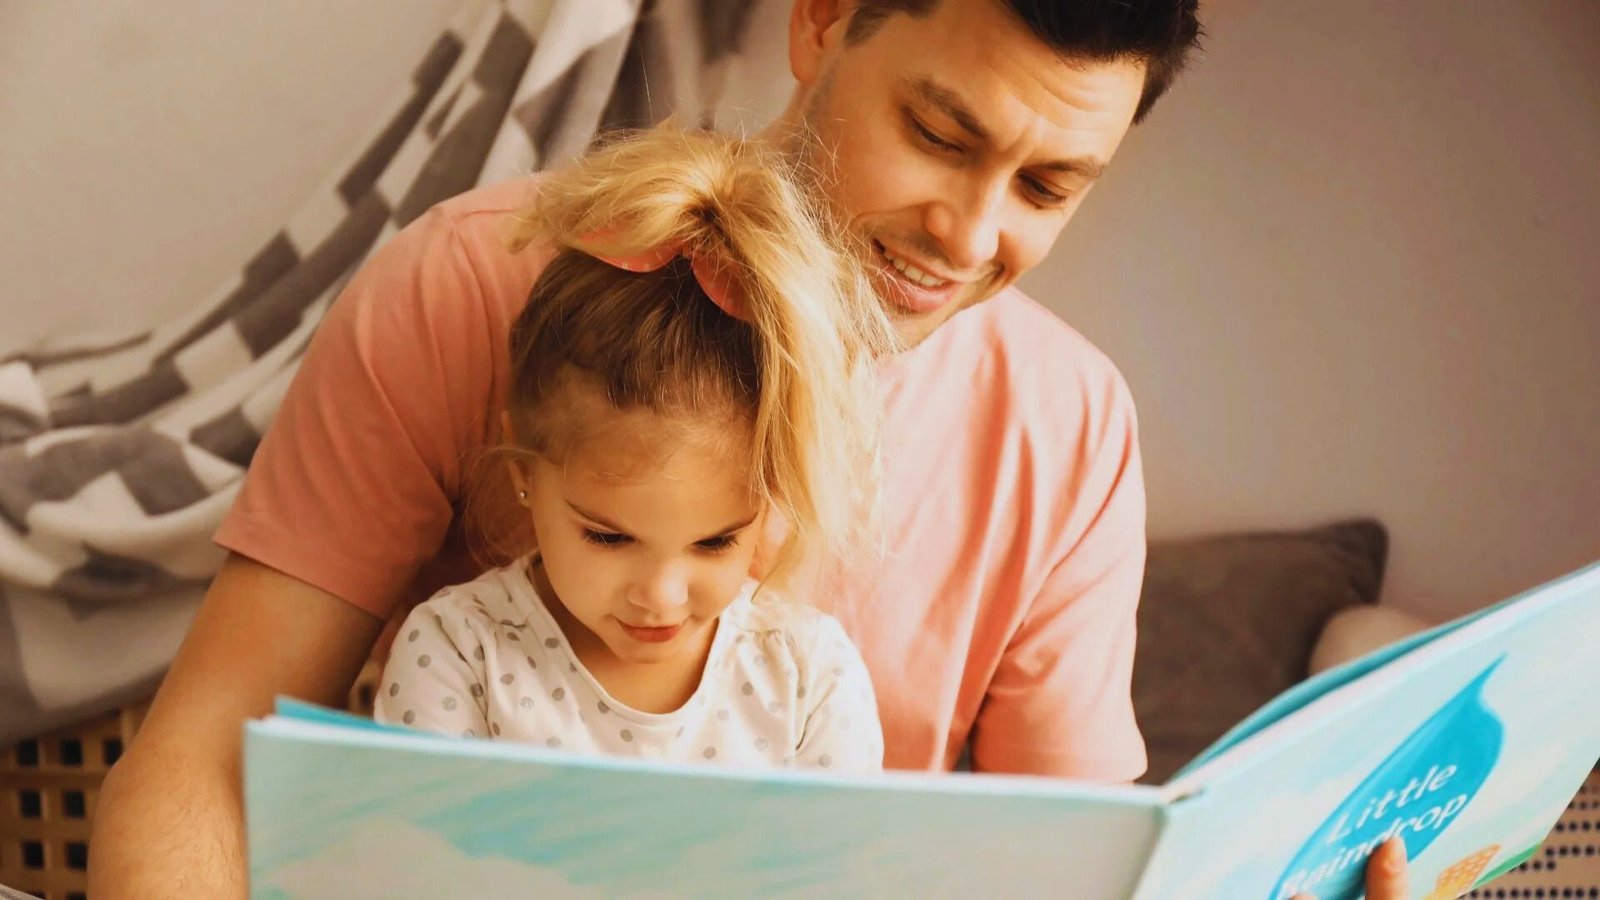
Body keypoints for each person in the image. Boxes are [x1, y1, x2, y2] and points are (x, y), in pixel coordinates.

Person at [90, 2, 1411, 897]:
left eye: (1050, 188)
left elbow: (1079, 869)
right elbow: (205, 756)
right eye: (942, 136)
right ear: (822, 17)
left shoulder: (1067, 431)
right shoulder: (468, 287)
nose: (967, 236)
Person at [373, 125, 886, 772]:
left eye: (717, 542)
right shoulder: (458, 655)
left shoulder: (809, 680)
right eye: (609, 539)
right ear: (524, 469)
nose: (663, 598)